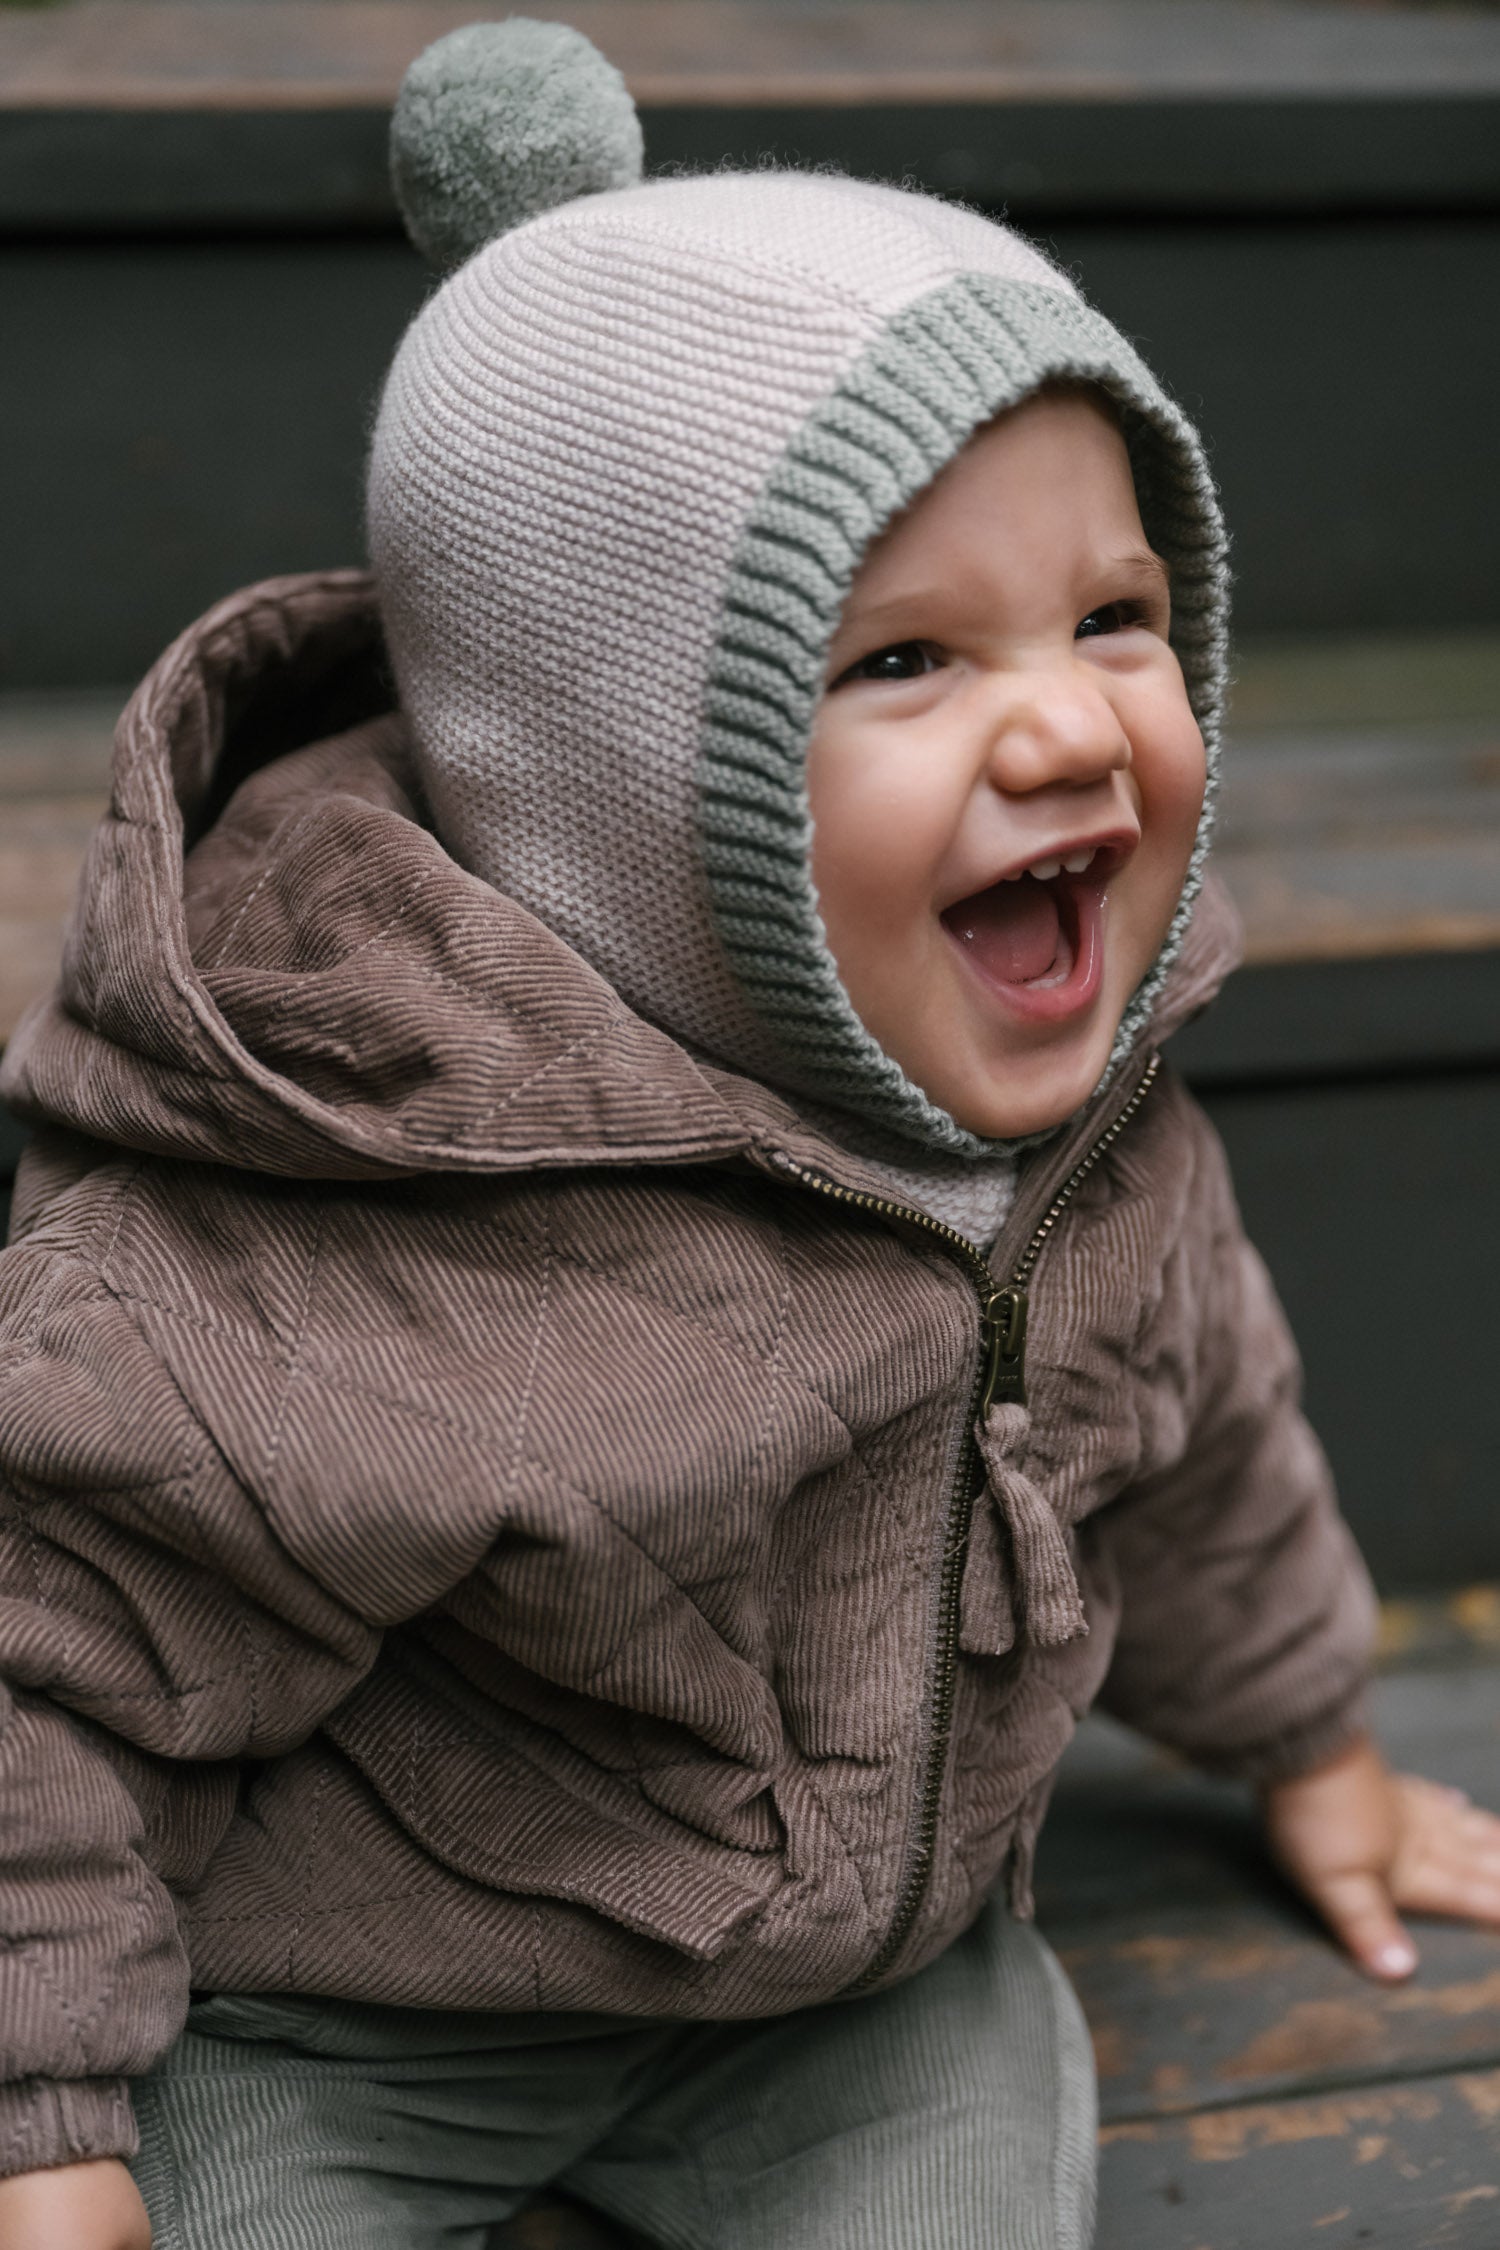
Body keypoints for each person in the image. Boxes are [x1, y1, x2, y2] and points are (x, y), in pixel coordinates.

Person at [1, 21, 1497, 2250]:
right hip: (340, 2015)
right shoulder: (322, 1225)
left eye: (1114, 618)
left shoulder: (1094, 1106)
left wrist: (1317, 1745)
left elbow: (1196, 1443)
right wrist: (45, 2116)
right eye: (904, 661)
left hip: (864, 1998)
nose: (1070, 724)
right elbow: (52, 1648)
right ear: (611, 785)